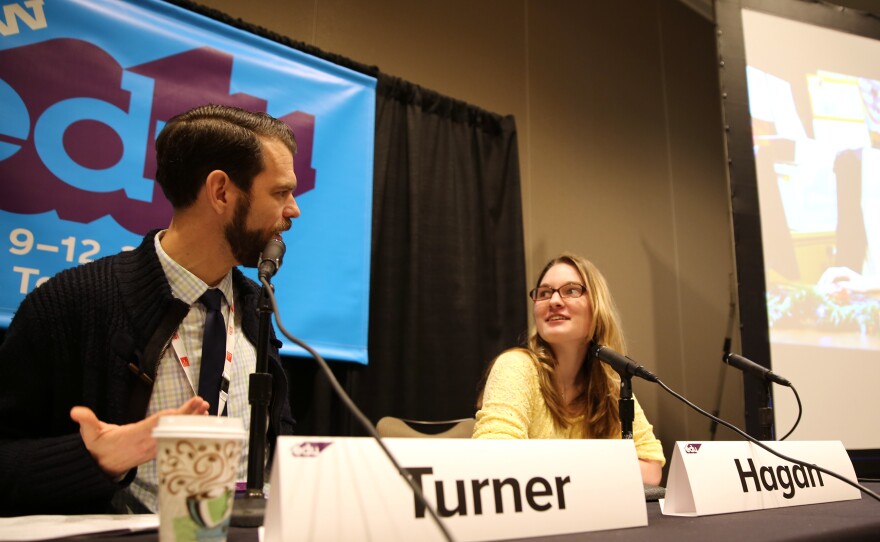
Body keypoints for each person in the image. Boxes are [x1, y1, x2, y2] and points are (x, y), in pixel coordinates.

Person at [0, 104, 300, 516]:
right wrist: (96, 460)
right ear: (221, 192)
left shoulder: (256, 306)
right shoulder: (71, 302)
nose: (293, 209)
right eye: (280, 192)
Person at [472, 253, 665, 485]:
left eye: (571, 290)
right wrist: (602, 463)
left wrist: (570, 465)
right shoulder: (517, 366)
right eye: (544, 293)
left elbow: (651, 469)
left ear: (597, 306)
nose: (554, 301)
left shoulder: (611, 383)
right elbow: (495, 458)